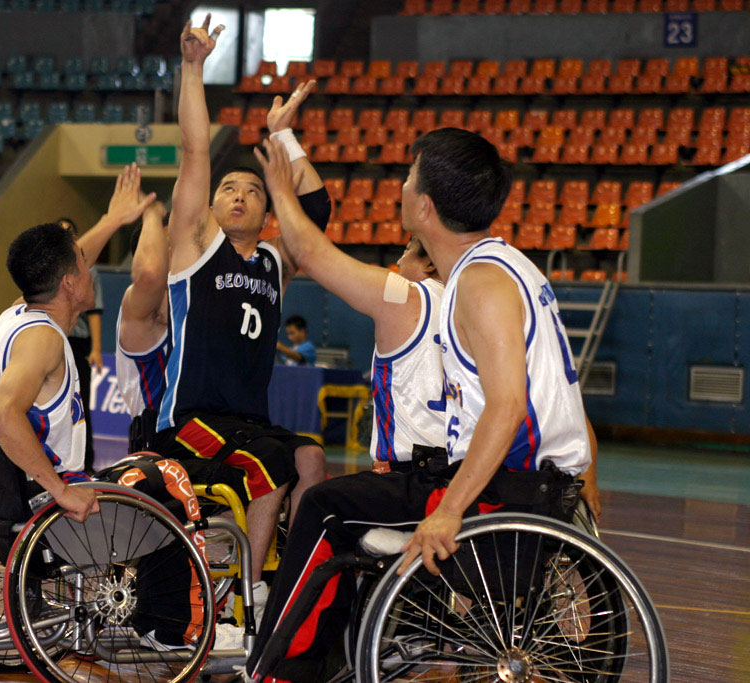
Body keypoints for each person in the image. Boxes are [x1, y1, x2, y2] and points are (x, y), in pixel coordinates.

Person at [246, 129, 596, 682]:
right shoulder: (508, 268)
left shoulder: (480, 282)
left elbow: (507, 407)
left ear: (425, 207)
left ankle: (279, 671)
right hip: (538, 488)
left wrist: (450, 509)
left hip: (504, 494)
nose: (402, 183)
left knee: (322, 508)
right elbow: (560, 394)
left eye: (409, 175)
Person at [157, 16, 331, 612]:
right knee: (271, 466)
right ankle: (248, 594)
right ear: (209, 207)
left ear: (264, 211)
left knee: (311, 459)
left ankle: (297, 576)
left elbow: (317, 206)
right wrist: (193, 68)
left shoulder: (275, 263)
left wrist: (283, 139)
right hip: (190, 419)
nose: (239, 194)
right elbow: (194, 149)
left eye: (253, 190)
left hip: (245, 421)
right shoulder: (194, 249)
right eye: (229, 188)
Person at [0, 163, 155, 558]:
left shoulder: (18, 310)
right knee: (162, 506)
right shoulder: (42, 340)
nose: (90, 269)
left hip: (16, 487)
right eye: (83, 265)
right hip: (45, 500)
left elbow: (65, 262)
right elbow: (4, 417)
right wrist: (61, 491)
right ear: (69, 283)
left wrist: (112, 220)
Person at [116, 200, 171, 451]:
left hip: (195, 428)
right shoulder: (147, 301)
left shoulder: (184, 295)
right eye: (169, 245)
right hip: (156, 434)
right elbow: (150, 273)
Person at [59, 215, 105, 473]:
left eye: (70, 233)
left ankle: (85, 464)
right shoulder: (49, 269)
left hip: (78, 344)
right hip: (55, 340)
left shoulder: (91, 269)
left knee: (80, 403)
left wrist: (96, 348)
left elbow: (95, 311)